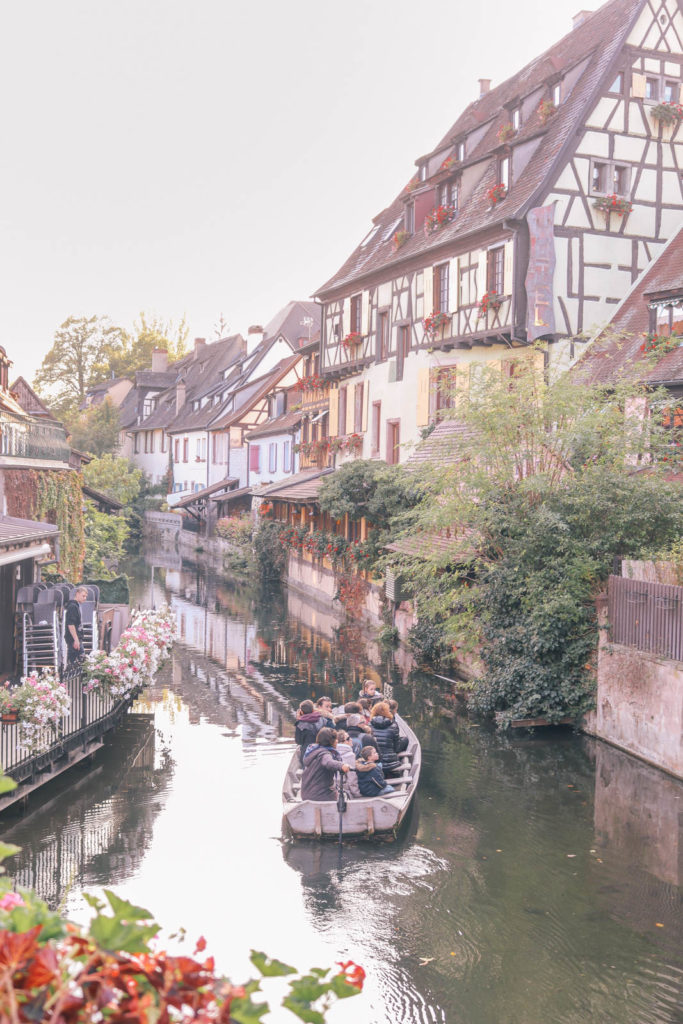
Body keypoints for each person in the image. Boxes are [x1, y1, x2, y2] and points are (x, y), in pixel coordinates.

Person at [301, 727, 349, 801]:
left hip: (306, 794)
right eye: (336, 739)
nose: (337, 741)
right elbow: (328, 762)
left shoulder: (314, 751)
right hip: (320, 796)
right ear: (331, 741)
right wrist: (342, 765)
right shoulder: (325, 754)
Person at [369, 701, 405, 776]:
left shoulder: (369, 725)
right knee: (405, 740)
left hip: (374, 762)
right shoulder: (393, 725)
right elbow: (396, 748)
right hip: (390, 763)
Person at [64, 586, 88, 666]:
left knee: (77, 663)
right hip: (73, 640)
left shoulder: (76, 606)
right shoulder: (73, 607)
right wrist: (76, 640)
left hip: (76, 639)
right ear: (77, 594)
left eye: (86, 596)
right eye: (83, 596)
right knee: (77, 663)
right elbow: (70, 625)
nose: (85, 598)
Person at [335, 730, 360, 798]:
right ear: (342, 742)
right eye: (348, 738)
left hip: (334, 790)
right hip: (345, 790)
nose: (351, 739)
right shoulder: (349, 755)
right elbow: (352, 778)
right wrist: (356, 794)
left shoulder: (331, 753)